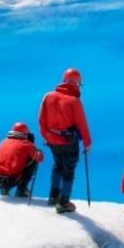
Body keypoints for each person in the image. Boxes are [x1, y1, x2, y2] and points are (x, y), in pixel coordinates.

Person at [38, 67, 92, 214]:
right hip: (68, 142)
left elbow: (41, 120)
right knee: (68, 171)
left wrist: (47, 136)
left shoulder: (48, 96)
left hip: (52, 141)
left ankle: (53, 196)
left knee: (57, 165)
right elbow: (82, 124)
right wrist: (87, 143)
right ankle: (63, 202)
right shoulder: (74, 101)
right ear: (76, 82)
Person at [0, 122, 44, 197]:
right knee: (33, 160)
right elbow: (39, 158)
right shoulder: (26, 144)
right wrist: (33, 145)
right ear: (25, 133)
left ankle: (5, 189)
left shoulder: (3, 141)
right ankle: (22, 190)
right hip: (10, 180)